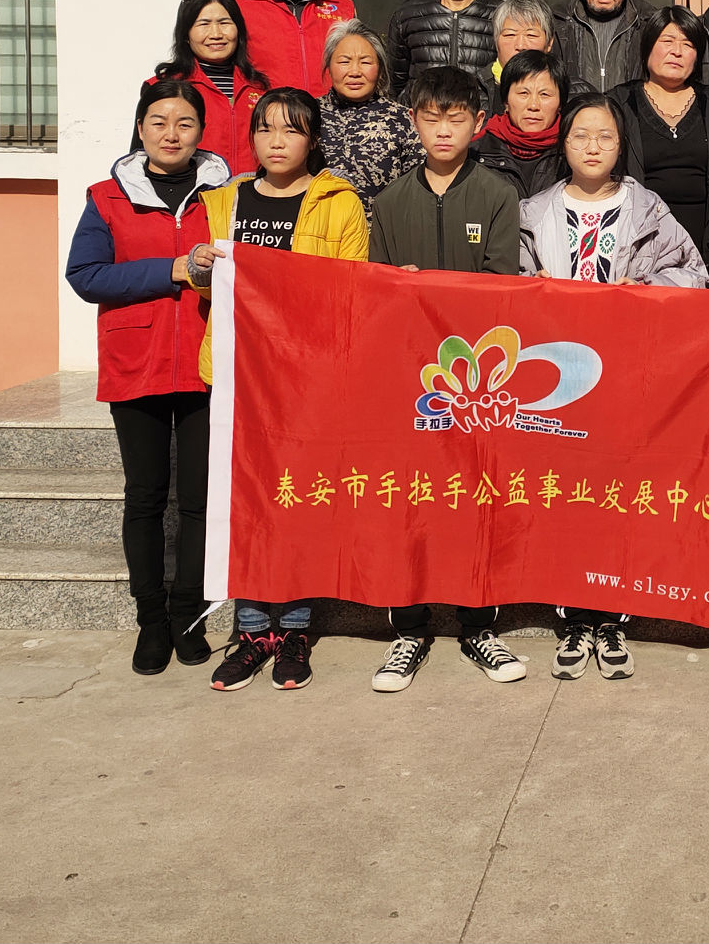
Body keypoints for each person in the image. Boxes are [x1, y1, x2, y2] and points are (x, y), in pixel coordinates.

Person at [519, 95, 708, 682]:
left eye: (605, 136)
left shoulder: (647, 209)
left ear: (621, 144)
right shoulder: (533, 212)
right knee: (565, 495)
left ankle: (612, 616)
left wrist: (644, 289)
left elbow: (694, 273)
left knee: (617, 493)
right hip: (556, 379)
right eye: (581, 135)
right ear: (564, 143)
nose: (593, 146)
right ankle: (573, 615)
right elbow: (502, 284)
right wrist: (530, 289)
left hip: (627, 375)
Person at [191, 87, 369, 693]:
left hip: (306, 376)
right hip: (240, 373)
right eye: (265, 128)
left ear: (312, 139)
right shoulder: (223, 201)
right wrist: (200, 268)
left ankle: (293, 630)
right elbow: (208, 287)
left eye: (291, 129)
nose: (276, 140)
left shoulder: (339, 203)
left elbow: (351, 289)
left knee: (298, 501)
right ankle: (250, 631)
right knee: (247, 502)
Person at [365, 65, 525, 692]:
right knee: (408, 501)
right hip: (408, 378)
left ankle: (478, 624)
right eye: (430, 117)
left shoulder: (496, 195)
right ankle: (408, 628)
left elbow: (501, 286)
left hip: (476, 381)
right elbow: (374, 293)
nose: (442, 129)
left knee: (476, 498)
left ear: (478, 123)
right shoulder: (389, 201)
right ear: (412, 121)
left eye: (455, 118)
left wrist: (432, 291)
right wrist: (396, 288)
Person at [64, 79, 230, 677]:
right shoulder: (107, 197)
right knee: (145, 497)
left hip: (207, 363)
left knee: (200, 500)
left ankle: (188, 616)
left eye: (185, 123)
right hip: (137, 361)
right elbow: (86, 275)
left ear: (201, 131)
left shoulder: (226, 197)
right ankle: (151, 622)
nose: (171, 134)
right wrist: (173, 270)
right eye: (159, 122)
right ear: (140, 129)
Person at [608, 6, 709, 283]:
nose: (677, 51)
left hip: (705, 247)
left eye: (687, 44)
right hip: (638, 246)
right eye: (667, 41)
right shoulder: (619, 103)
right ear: (648, 47)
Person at [148, 0, 267, 174]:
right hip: (194, 191)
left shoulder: (261, 88)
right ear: (186, 34)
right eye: (204, 24)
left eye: (224, 23)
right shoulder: (163, 88)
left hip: (251, 190)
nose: (216, 34)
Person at [317, 19, 421, 208]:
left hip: (380, 225)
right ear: (329, 68)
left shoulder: (403, 120)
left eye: (365, 62)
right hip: (319, 224)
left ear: (380, 70)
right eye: (344, 62)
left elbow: (416, 187)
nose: (355, 72)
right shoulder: (310, 114)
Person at [473, 48, 571, 201]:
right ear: (506, 101)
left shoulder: (573, 153)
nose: (533, 105)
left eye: (544, 94)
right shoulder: (477, 152)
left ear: (560, 104)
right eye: (523, 93)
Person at [490, 0, 555, 83]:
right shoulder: (476, 88)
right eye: (510, 35)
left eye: (531, 35)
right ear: (496, 41)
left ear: (549, 43)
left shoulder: (564, 89)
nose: (520, 46)